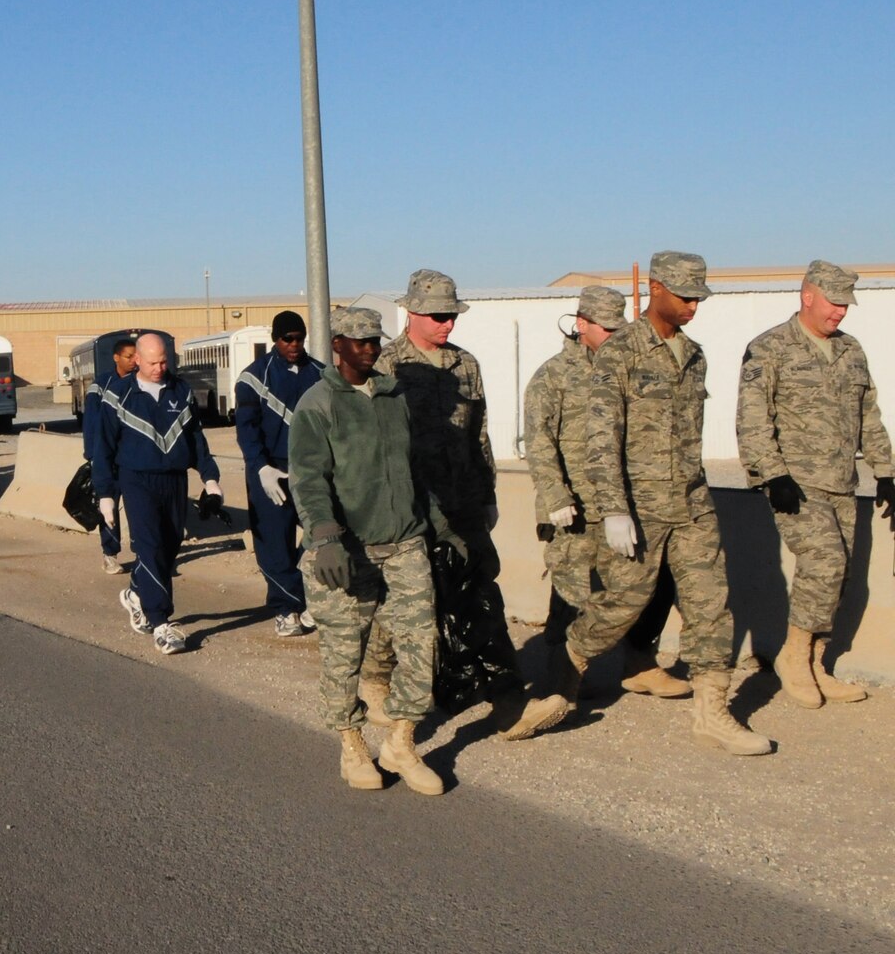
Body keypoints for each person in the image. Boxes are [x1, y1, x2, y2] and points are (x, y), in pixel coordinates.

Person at [579, 251, 771, 755]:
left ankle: (712, 712)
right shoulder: (620, 353)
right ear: (657, 289)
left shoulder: (693, 354)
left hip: (691, 503)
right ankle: (564, 671)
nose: (693, 306)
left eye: (698, 298)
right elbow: (601, 437)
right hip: (638, 507)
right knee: (621, 605)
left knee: (710, 605)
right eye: (685, 296)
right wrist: (613, 508)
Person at [365, 269, 566, 742]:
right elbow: (373, 445)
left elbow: (480, 433)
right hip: (409, 507)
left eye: (452, 316)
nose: (447, 324)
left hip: (463, 504)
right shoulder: (387, 366)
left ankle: (508, 703)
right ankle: (375, 677)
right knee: (405, 602)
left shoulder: (465, 364)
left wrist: (488, 493)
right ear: (411, 311)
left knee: (481, 595)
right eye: (438, 316)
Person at [290, 307, 440, 794]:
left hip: (404, 542)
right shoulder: (317, 404)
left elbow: (412, 469)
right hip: (346, 548)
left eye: (375, 340)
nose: (370, 348)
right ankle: (351, 744)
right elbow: (308, 479)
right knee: (343, 651)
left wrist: (442, 528)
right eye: (360, 341)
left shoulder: (394, 398)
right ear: (337, 345)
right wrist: (325, 537)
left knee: (421, 643)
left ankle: (401, 741)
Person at [737, 260, 895, 708]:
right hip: (796, 484)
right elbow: (752, 418)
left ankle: (817, 663)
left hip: (841, 482)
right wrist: (772, 474)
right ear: (808, 296)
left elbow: (868, 415)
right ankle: (793, 656)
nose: (840, 312)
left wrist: (886, 471)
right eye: (834, 303)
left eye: (846, 305)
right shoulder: (770, 347)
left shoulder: (850, 349)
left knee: (841, 576)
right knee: (825, 563)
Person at [522, 286, 687, 708]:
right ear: (582, 324)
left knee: (644, 587)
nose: (615, 337)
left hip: (624, 503)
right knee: (573, 595)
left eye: (620, 328)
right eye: (607, 329)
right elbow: (539, 441)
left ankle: (639, 664)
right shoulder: (553, 376)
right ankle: (558, 683)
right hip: (574, 507)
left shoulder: (627, 368)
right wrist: (555, 495)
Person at [89, 332, 225, 656]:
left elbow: (196, 439)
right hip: (136, 480)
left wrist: (210, 479)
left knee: (168, 547)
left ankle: (136, 593)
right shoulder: (119, 394)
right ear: (137, 360)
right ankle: (161, 623)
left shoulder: (182, 390)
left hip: (174, 480)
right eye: (152, 362)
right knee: (149, 547)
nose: (159, 368)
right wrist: (105, 494)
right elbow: (102, 447)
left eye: (164, 361)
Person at [234, 311, 323, 637]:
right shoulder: (253, 377)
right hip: (270, 467)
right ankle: (286, 609)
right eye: (288, 339)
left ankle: (308, 596)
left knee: (321, 533)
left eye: (300, 338)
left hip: (310, 468)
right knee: (274, 542)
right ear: (276, 339)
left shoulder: (321, 374)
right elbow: (247, 428)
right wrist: (260, 467)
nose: (295, 345)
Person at [81, 336, 138, 575]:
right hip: (109, 459)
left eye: (137, 356)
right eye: (129, 356)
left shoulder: (141, 383)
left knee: (138, 507)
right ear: (116, 358)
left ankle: (143, 552)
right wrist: (93, 455)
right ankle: (110, 554)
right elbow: (91, 422)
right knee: (109, 506)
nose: (134, 361)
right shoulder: (101, 386)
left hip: (134, 459)